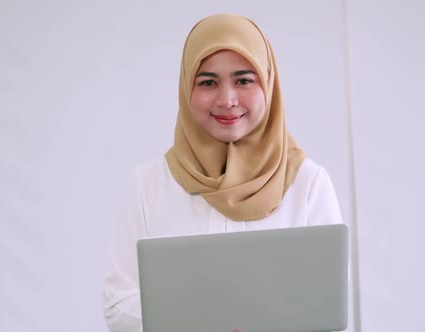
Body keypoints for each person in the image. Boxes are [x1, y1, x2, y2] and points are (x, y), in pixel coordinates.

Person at [102, 13, 343, 332]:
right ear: (187, 86)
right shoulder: (149, 184)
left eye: (244, 80)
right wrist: (210, 318)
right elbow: (118, 305)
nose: (227, 100)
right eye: (207, 82)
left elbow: (329, 310)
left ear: (268, 84)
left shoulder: (307, 183)